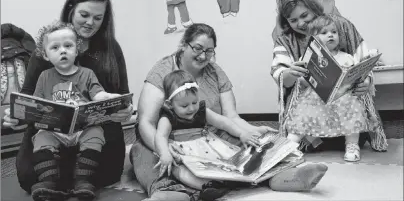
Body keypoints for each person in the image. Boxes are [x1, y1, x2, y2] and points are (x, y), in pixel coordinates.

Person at [131, 23, 328, 201]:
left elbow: (230, 117)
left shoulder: (214, 72)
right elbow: (145, 122)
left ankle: (283, 177)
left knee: (254, 143)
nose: (202, 56)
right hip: (166, 140)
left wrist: (251, 131)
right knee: (142, 152)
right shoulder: (162, 71)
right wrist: (163, 149)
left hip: (208, 137)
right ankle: (167, 192)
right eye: (197, 48)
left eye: (209, 51)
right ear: (184, 44)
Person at [3, 0, 133, 195]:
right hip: (51, 130)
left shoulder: (111, 48)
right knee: (28, 176)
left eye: (98, 18)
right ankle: (61, 180)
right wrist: (16, 116)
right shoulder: (47, 48)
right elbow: (28, 98)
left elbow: (120, 96)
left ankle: (77, 180)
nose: (90, 22)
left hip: (95, 129)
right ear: (71, 8)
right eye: (84, 14)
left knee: (109, 172)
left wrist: (124, 110)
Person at [271, 0, 387, 155]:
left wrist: (365, 82)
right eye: (293, 20)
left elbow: (363, 61)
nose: (301, 23)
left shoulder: (341, 25)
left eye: (304, 15)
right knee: (304, 129)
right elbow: (279, 76)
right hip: (310, 120)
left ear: (313, 7)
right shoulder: (285, 40)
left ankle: (351, 144)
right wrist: (291, 74)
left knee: (352, 122)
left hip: (345, 110)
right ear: (286, 22)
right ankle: (293, 147)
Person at [29, 21, 124, 201]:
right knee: (41, 137)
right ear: (46, 55)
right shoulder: (44, 76)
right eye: (55, 47)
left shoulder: (86, 73)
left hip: (83, 128)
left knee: (96, 133)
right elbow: (36, 103)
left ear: (77, 50)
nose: (63, 50)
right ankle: (48, 182)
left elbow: (98, 94)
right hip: (55, 130)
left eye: (68, 46)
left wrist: (107, 97)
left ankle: (83, 181)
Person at [285, 15, 381, 162]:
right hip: (316, 98)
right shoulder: (309, 58)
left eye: (333, 32)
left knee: (353, 106)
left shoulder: (347, 57)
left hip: (343, 98)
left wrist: (363, 78)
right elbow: (302, 82)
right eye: (324, 33)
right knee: (302, 114)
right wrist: (304, 77)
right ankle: (289, 147)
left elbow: (358, 74)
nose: (330, 35)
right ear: (313, 39)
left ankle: (352, 145)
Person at [155, 69, 261, 200]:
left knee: (229, 160)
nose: (191, 108)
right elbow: (160, 136)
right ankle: (207, 187)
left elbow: (223, 122)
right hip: (183, 153)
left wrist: (241, 134)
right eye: (184, 105)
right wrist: (164, 153)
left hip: (206, 146)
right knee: (179, 171)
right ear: (169, 104)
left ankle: (234, 180)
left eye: (194, 102)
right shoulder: (168, 117)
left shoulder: (201, 110)